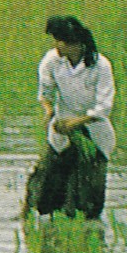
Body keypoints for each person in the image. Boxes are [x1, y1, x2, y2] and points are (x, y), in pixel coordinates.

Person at [24, 15, 115, 220]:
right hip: (62, 127)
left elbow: (104, 107)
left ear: (76, 44)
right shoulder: (52, 60)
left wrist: (76, 123)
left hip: (93, 130)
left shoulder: (100, 65)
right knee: (47, 183)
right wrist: (49, 111)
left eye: (61, 42)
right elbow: (45, 92)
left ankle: (85, 227)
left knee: (89, 193)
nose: (57, 46)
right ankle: (35, 219)